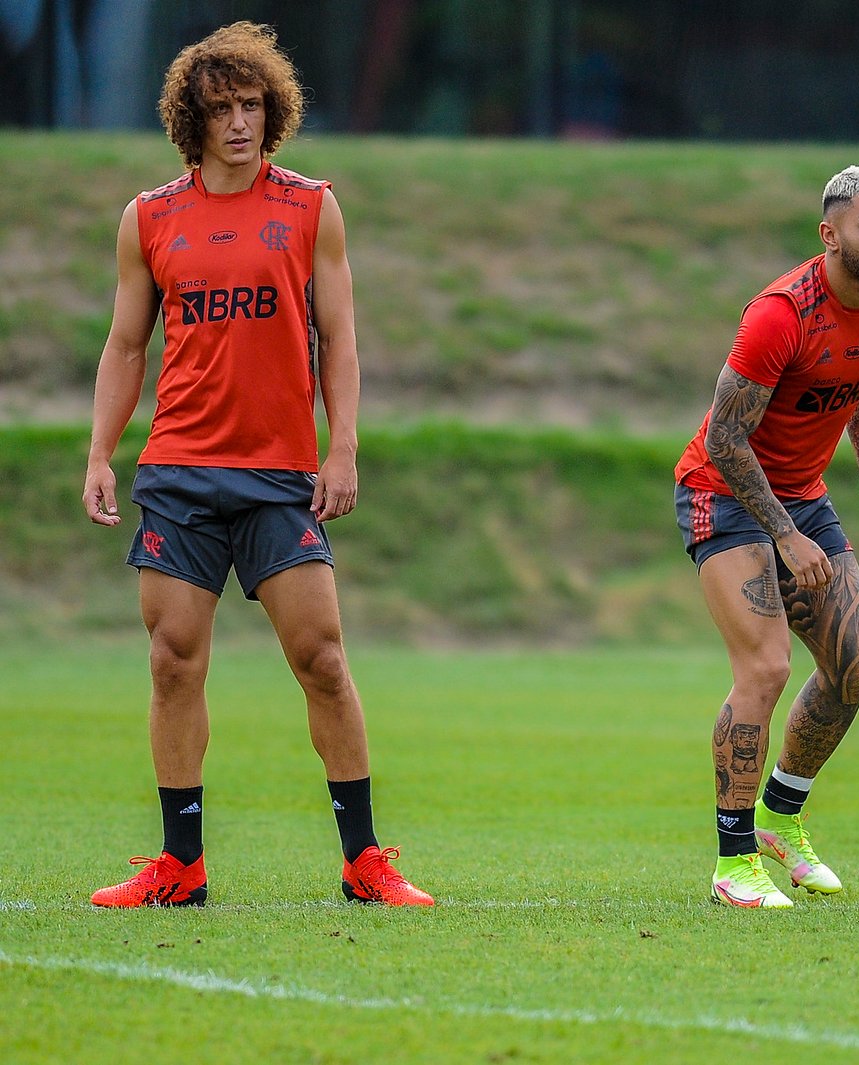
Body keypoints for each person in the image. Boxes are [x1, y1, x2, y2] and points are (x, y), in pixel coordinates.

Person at [82, 22, 431, 907]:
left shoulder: (312, 205)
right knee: (171, 661)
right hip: (179, 474)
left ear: (273, 112)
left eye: (252, 106)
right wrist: (99, 455)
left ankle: (363, 860)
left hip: (280, 475)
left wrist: (341, 444)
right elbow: (126, 347)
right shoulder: (149, 217)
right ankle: (180, 865)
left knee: (321, 657)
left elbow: (340, 337)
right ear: (189, 119)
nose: (239, 122)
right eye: (221, 107)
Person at [674, 164, 859, 908]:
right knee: (767, 670)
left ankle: (781, 815)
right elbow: (724, 438)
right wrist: (784, 535)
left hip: (802, 497)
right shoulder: (781, 313)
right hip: (723, 492)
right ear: (831, 233)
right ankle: (734, 862)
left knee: (855, 667)